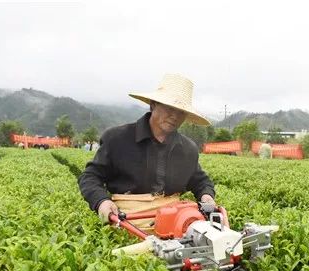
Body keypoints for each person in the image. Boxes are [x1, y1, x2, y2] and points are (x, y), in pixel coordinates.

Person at [78, 73, 216, 227]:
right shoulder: (117, 138)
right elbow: (90, 177)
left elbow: (200, 181)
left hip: (174, 220)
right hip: (128, 221)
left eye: (181, 111)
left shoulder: (188, 149)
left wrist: (206, 196)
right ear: (153, 104)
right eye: (169, 107)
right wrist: (101, 201)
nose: (174, 116)